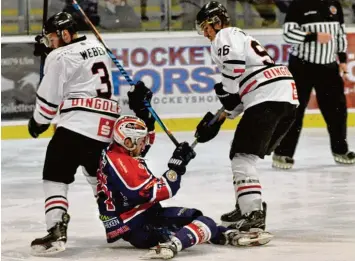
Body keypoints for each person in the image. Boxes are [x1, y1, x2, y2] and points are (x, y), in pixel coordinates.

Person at [28, 12, 155, 255]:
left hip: (76, 125)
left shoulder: (59, 55)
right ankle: (118, 224)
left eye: (53, 37)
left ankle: (56, 228)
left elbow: (48, 102)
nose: (51, 42)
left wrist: (37, 122)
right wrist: (51, 54)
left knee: (55, 176)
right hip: (106, 127)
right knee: (100, 181)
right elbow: (81, 70)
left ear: (65, 34)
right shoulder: (97, 46)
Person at [96, 115, 273, 260]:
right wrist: (176, 167)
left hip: (138, 219)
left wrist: (147, 118)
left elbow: (138, 176)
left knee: (195, 217)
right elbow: (153, 191)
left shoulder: (114, 152)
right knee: (205, 222)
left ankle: (228, 234)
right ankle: (171, 245)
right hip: (137, 225)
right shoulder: (121, 162)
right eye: (140, 141)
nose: (144, 145)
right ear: (128, 141)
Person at [194, 1, 299, 229]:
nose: (205, 33)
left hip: (268, 97)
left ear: (217, 22)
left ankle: (253, 213)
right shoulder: (243, 40)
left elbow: (233, 71)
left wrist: (226, 91)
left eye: (206, 27)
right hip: (286, 99)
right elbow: (240, 97)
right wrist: (218, 119)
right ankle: (246, 204)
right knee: (245, 155)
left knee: (241, 156)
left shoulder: (226, 35)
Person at [272, 0, 355, 169]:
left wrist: (343, 60)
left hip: (329, 67)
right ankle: (283, 153)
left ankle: (341, 151)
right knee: (294, 112)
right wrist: (313, 36)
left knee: (337, 113)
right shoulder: (298, 5)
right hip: (302, 67)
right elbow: (288, 34)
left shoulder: (334, 4)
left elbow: (339, 33)